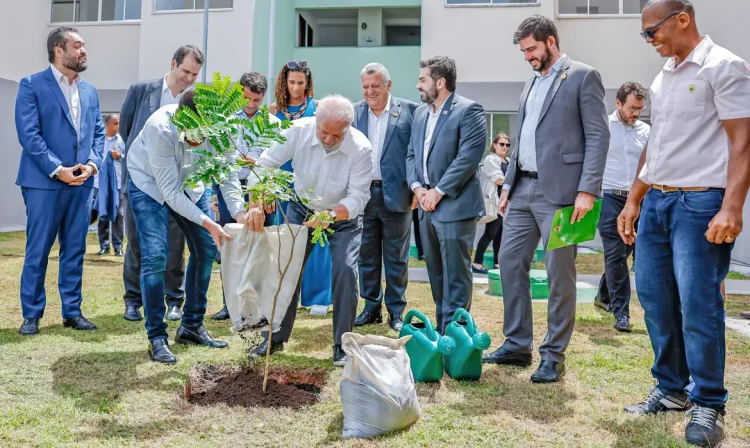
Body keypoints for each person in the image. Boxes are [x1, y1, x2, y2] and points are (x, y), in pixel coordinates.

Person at [618, 1, 750, 446]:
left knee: (698, 304)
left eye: (651, 31)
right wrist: (634, 200)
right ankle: (672, 390)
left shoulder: (724, 66)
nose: (649, 40)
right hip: (657, 202)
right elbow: (656, 143)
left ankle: (709, 402)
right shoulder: (664, 76)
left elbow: (742, 142)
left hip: (700, 205)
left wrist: (731, 207)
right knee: (654, 298)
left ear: (682, 19)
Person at [482, 15, 609, 384]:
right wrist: (507, 187)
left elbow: (598, 137)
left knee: (559, 275)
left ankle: (553, 354)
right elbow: (520, 140)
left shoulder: (584, 76)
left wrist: (588, 189)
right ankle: (518, 344)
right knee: (508, 262)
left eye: (532, 49)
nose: (527, 56)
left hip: (564, 194)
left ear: (550, 41)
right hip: (522, 190)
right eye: (523, 51)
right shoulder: (529, 84)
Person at [247, 95, 373, 366]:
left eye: (335, 135)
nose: (328, 139)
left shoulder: (361, 148)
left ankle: (343, 344)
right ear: (315, 120)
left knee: (345, 271)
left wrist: (330, 215)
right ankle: (275, 337)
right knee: (287, 269)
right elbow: (265, 163)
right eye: (323, 132)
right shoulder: (299, 130)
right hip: (301, 207)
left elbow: (360, 196)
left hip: (343, 217)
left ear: (348, 129)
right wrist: (259, 197)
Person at [126, 91, 247, 364]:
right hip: (149, 185)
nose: (198, 140)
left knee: (205, 249)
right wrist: (209, 222)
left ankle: (192, 325)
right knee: (156, 256)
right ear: (181, 119)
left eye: (204, 135)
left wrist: (239, 212)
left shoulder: (224, 130)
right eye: (193, 134)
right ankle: (157, 336)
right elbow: (169, 191)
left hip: (191, 183)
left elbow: (227, 174)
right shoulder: (161, 128)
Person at [15, 27, 104, 336]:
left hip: (82, 185)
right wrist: (58, 169)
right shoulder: (32, 85)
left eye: (83, 46)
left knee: (75, 249)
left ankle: (72, 312)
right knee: (38, 249)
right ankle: (31, 315)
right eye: (77, 46)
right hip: (44, 182)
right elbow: (30, 135)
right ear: (58, 50)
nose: (84, 51)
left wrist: (92, 165)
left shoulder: (90, 90)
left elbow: (99, 133)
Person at [119, 45, 202, 322]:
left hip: (176, 186)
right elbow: (126, 130)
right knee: (138, 242)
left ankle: (174, 299)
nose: (189, 78)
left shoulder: (194, 101)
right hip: (142, 183)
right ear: (173, 64)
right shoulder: (142, 91)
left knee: (175, 245)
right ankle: (133, 299)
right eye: (186, 71)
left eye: (195, 74)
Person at [406, 56, 487, 334]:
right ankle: (442, 331)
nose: (418, 85)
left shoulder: (469, 111)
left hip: (455, 205)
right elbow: (411, 154)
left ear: (440, 82)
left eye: (423, 79)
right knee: (436, 274)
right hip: (425, 207)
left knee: (456, 276)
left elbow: (468, 158)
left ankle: (457, 333)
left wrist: (438, 192)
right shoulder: (419, 114)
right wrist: (418, 188)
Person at [352, 63, 419, 332]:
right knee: (366, 256)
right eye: (366, 87)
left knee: (396, 257)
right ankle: (371, 306)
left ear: (388, 85)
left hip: (398, 194)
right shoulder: (355, 113)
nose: (370, 92)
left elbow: (417, 153)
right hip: (363, 195)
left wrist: (417, 187)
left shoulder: (411, 111)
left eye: (375, 86)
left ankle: (396, 310)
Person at [209, 71, 281, 321]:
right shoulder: (226, 121)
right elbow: (218, 159)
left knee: (261, 247)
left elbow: (276, 163)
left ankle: (260, 306)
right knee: (231, 245)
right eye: (248, 99)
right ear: (240, 93)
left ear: (263, 97)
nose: (251, 105)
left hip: (261, 190)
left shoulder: (272, 124)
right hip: (230, 186)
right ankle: (229, 304)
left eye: (257, 100)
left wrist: (258, 164)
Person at [269, 60, 332, 317]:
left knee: (317, 237)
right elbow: (268, 148)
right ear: (284, 82)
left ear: (308, 84)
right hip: (282, 182)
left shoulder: (318, 109)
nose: (296, 88)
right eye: (292, 82)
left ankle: (319, 296)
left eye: (301, 83)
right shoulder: (274, 110)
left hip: (312, 180)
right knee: (287, 240)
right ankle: (286, 295)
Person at [592, 82, 649, 332]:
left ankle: (603, 294)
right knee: (615, 253)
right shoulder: (602, 127)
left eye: (640, 109)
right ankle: (621, 312)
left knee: (629, 250)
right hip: (610, 197)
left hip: (639, 199)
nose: (636, 113)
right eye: (632, 108)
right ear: (618, 103)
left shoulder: (647, 131)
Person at [472, 134, 511, 274]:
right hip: (494, 201)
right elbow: (499, 179)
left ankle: (497, 263)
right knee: (490, 233)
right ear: (494, 145)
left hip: (505, 203)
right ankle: (477, 263)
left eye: (507, 145)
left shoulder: (508, 160)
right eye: (501, 144)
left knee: (500, 234)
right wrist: (513, 179)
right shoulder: (490, 159)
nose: (505, 147)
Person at [95, 113, 125, 257]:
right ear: (106, 124)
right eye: (115, 123)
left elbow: (129, 159)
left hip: (118, 183)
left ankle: (118, 247)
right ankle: (104, 246)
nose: (118, 126)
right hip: (100, 184)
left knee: (119, 215)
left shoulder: (122, 141)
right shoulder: (98, 140)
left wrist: (118, 156)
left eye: (119, 123)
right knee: (102, 213)